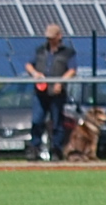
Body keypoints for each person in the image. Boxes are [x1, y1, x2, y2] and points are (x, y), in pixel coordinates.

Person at [25, 23, 75, 162]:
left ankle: (56, 150)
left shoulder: (68, 52)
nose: (49, 40)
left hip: (57, 93)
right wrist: (35, 73)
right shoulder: (40, 50)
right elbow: (29, 65)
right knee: (37, 120)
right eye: (48, 38)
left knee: (57, 123)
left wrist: (61, 82)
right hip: (40, 93)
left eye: (52, 37)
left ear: (59, 36)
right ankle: (34, 149)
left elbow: (72, 70)